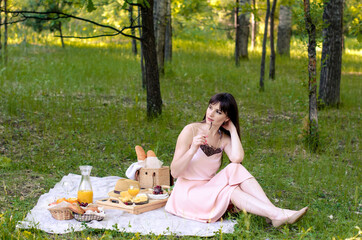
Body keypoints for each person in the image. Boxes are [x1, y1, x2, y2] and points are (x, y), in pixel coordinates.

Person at [165, 93, 308, 227]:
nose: (211, 113)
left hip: (207, 188)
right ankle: (276, 214)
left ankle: (273, 213)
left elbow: (237, 159)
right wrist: (192, 149)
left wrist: (232, 130)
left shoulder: (223, 138)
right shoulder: (191, 130)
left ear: (227, 118)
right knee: (230, 190)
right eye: (210, 108)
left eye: (218, 112)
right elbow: (175, 172)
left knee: (236, 168)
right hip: (187, 194)